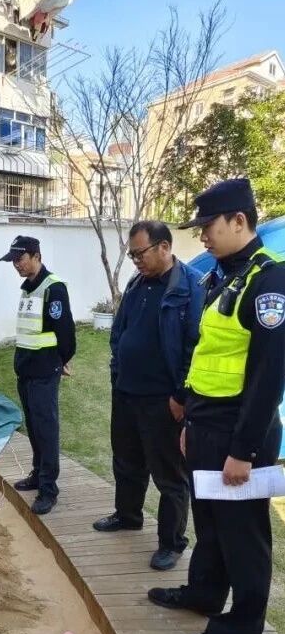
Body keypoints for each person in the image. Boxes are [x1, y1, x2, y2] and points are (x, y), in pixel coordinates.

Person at [149, 178, 285, 634]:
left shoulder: (269, 282)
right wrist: (190, 419)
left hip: (239, 433)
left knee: (243, 537)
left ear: (239, 220)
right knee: (209, 523)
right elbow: (209, 354)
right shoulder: (224, 275)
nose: (202, 235)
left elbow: (269, 378)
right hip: (207, 424)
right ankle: (204, 593)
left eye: (209, 225)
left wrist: (243, 451)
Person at [92, 222, 204, 571]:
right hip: (127, 391)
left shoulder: (190, 286)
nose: (135, 260)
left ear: (164, 247)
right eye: (132, 255)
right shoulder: (136, 282)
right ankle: (128, 516)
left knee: (169, 475)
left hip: (163, 399)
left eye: (140, 253)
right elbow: (120, 331)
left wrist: (180, 395)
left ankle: (172, 543)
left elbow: (195, 347)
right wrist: (117, 371)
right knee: (126, 461)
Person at [0, 235, 76, 515]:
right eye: (13, 261)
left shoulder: (53, 288)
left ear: (36, 256)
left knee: (46, 429)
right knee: (33, 426)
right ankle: (37, 473)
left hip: (44, 371)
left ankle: (48, 489)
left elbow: (66, 333)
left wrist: (60, 361)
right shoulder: (28, 289)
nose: (16, 265)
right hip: (26, 370)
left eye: (20, 259)